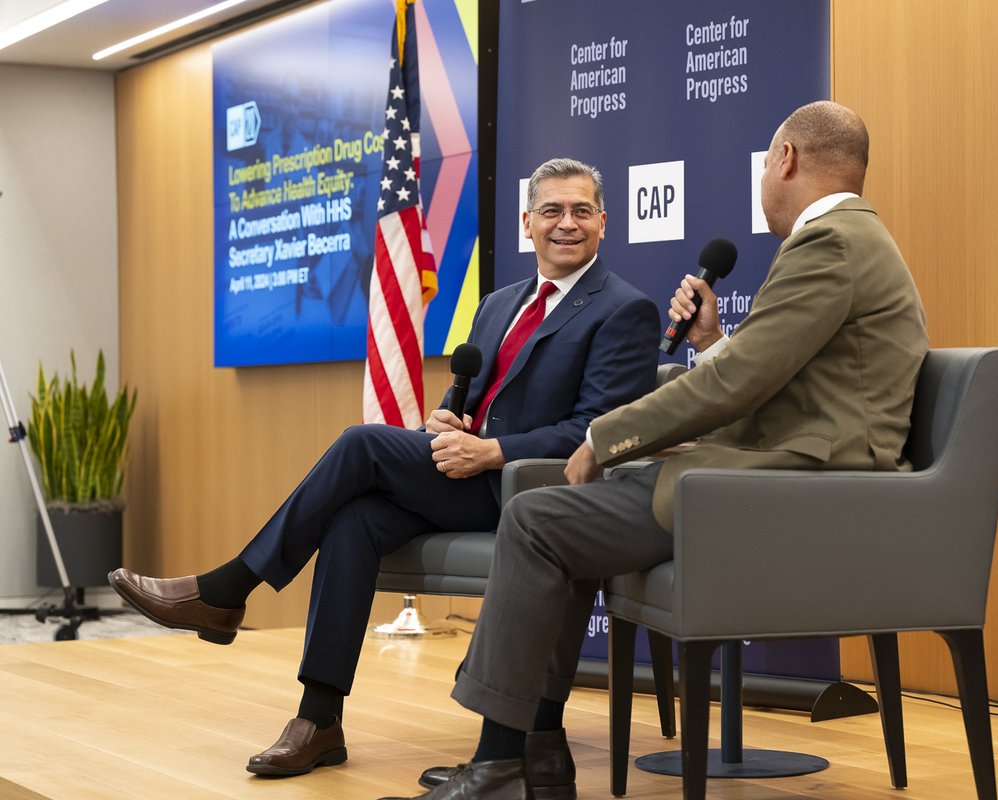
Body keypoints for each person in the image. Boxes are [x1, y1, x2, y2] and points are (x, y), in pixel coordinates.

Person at [390, 100, 930, 800]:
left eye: (767, 162)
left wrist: (604, 435)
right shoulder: (848, 240)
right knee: (562, 515)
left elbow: (739, 388)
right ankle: (536, 756)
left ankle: (503, 761)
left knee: (537, 518)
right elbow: (778, 379)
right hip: (784, 473)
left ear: (787, 160)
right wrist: (709, 342)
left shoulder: (829, 244)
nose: (765, 177)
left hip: (800, 488)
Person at [108, 157, 661, 778]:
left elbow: (598, 430)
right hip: (468, 471)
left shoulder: (623, 309)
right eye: (553, 211)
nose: (568, 223)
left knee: (361, 444)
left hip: (533, 492)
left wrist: (493, 451)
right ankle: (319, 719)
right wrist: (448, 422)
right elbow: (472, 399)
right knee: (355, 520)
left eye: (582, 210)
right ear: (527, 222)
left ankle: (227, 589)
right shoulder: (500, 303)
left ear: (605, 222)